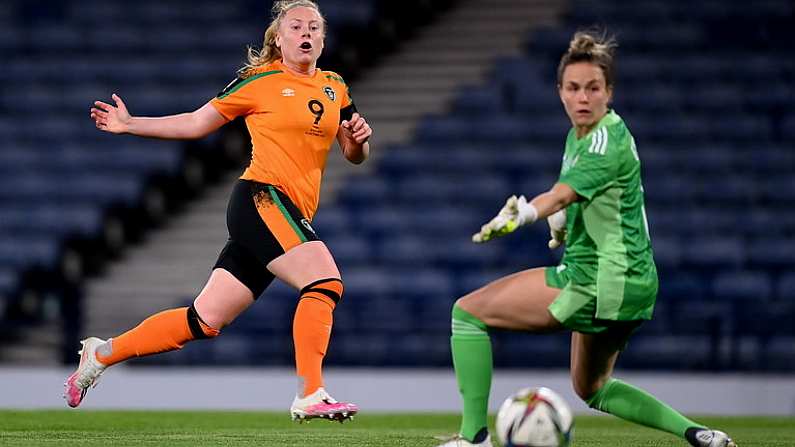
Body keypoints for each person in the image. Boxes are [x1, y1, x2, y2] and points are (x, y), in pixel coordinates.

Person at [64, 0, 371, 423]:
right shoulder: (259, 81)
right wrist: (130, 124)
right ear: (278, 39)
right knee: (324, 281)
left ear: (322, 37)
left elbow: (355, 153)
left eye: (314, 27)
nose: (305, 33)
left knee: (203, 320)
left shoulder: (336, 86)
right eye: (296, 26)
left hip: (287, 212)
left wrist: (358, 138)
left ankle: (100, 354)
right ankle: (312, 392)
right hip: (261, 198)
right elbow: (195, 123)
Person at [437, 31, 736, 447]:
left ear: (608, 92)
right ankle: (699, 434)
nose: (582, 98)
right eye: (574, 88)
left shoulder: (602, 140)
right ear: (560, 91)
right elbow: (583, 196)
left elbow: (562, 192)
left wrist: (527, 212)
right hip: (633, 283)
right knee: (592, 387)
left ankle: (473, 439)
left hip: (598, 278)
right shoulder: (584, 136)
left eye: (593, 88)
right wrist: (562, 222)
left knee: (466, 313)